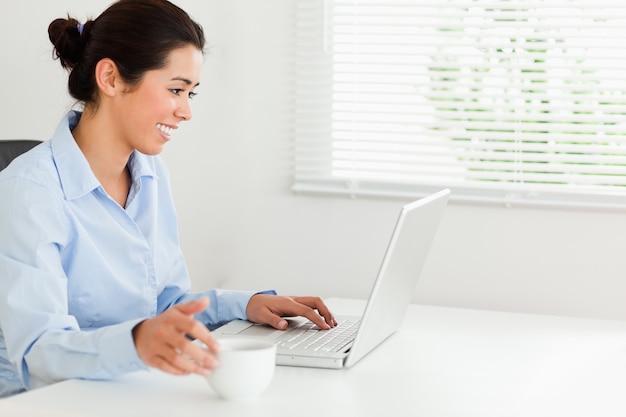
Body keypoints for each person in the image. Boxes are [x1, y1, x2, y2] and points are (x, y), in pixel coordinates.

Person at [0, 0, 336, 398]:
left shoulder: (150, 173)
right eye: (176, 89)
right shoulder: (30, 190)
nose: (186, 111)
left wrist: (246, 305)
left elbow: (164, 303)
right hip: (42, 400)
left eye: (191, 93)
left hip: (127, 388)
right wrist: (137, 340)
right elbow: (38, 352)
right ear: (109, 77)